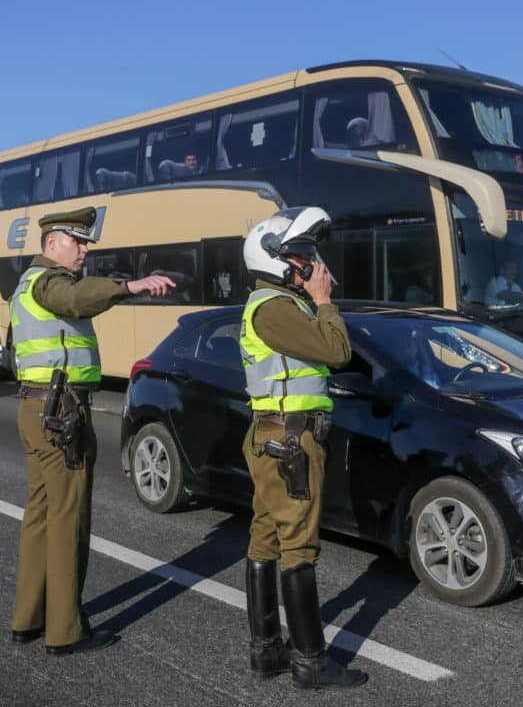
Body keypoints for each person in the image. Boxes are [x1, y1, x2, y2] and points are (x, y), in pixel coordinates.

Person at [9, 207, 175, 656]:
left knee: (42, 515)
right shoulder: (48, 283)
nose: (85, 250)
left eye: (86, 243)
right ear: (50, 244)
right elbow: (76, 300)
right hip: (60, 412)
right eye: (77, 242)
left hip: (38, 407)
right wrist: (131, 287)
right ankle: (65, 631)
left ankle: (29, 619)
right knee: (68, 519)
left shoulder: (29, 284)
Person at [238, 206, 368, 690]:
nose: (313, 264)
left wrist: (312, 299)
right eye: (302, 255)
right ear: (275, 260)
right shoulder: (274, 308)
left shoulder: (278, 305)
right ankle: (310, 662)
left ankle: (266, 651)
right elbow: (336, 352)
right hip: (291, 439)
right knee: (299, 545)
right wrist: (325, 301)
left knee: (266, 535)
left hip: (275, 435)